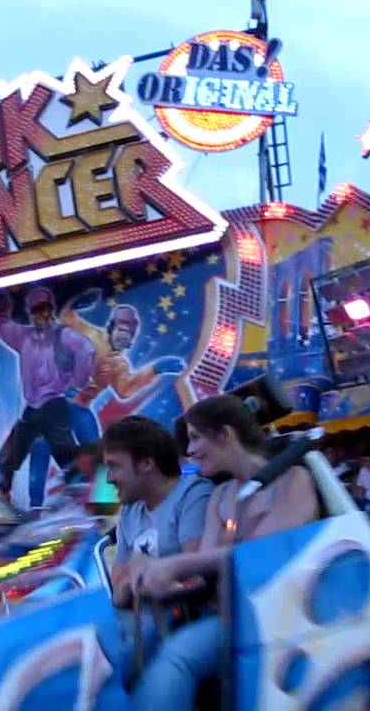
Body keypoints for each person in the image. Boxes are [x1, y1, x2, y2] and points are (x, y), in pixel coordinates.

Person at [127, 395, 319, 709]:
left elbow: (265, 555)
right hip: (231, 613)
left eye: (196, 438)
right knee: (140, 641)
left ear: (225, 434)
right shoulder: (220, 496)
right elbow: (206, 568)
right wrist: (153, 574)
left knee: (178, 656)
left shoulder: (292, 480)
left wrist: (176, 565)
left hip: (278, 613)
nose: (190, 451)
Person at [26, 290, 185, 503]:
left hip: (80, 408)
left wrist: (155, 369)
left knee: (99, 451)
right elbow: (67, 321)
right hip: (55, 404)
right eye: (121, 330)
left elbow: (124, 390)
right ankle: (35, 506)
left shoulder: (120, 364)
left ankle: (102, 502)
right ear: (111, 327)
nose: (123, 337)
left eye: (128, 334)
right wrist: (75, 304)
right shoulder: (91, 335)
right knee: (42, 446)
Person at [0, 289, 95, 505]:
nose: (42, 315)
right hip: (33, 407)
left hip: (54, 404)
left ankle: (83, 498)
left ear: (51, 310)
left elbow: (87, 350)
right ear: (30, 313)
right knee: (10, 455)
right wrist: (2, 304)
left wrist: (76, 384)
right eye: (36, 311)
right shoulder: (24, 336)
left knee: (66, 455)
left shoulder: (63, 335)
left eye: (45, 309)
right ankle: (0, 498)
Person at [103, 416, 213, 611]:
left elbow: (200, 576)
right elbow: (118, 594)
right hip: (148, 617)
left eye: (114, 467)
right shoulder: (130, 509)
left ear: (146, 463)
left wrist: (138, 574)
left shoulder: (193, 495)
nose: (108, 479)